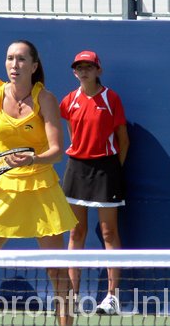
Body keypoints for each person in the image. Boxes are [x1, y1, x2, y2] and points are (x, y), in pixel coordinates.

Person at [0, 40, 78, 326]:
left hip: (41, 189)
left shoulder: (45, 99)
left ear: (34, 66)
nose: (14, 65)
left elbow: (57, 150)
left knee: (56, 272)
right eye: (10, 59)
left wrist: (33, 160)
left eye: (21, 59)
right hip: (5, 190)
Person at [59, 50, 130, 315]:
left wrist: (113, 168)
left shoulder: (111, 99)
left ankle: (111, 297)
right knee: (75, 233)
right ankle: (72, 296)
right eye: (79, 67)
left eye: (89, 66)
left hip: (106, 170)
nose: (84, 71)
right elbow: (72, 133)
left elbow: (123, 140)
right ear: (74, 72)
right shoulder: (69, 100)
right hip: (76, 169)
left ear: (98, 70)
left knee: (109, 233)